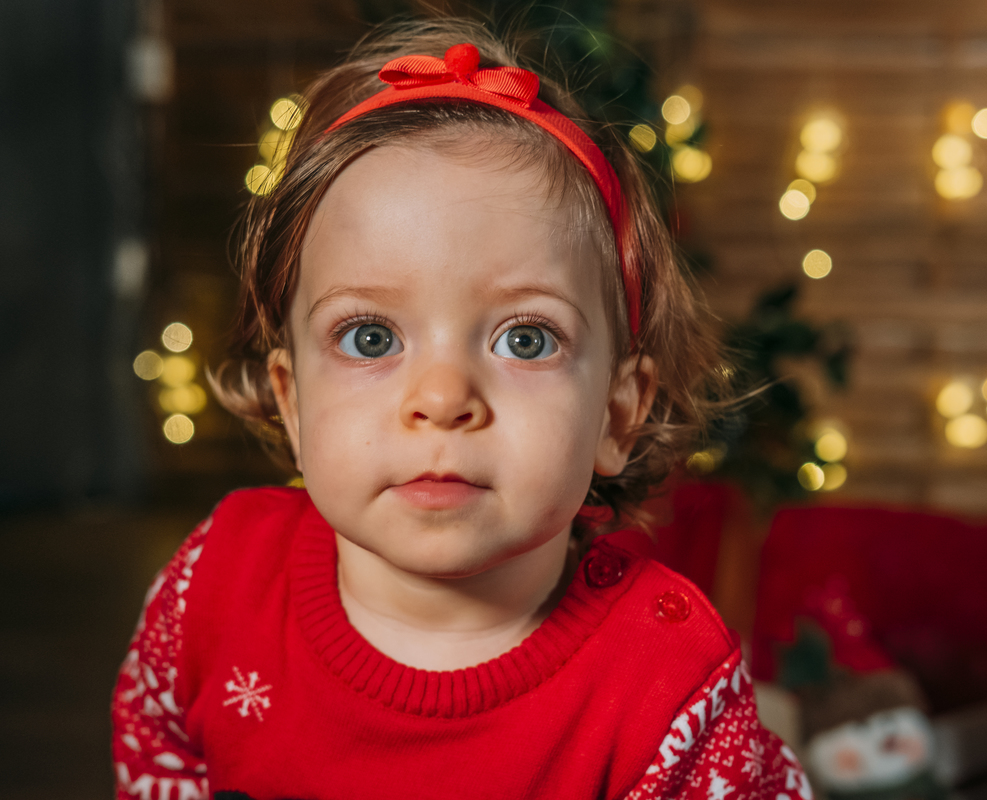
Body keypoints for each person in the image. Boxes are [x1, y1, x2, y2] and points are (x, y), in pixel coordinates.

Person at [111, 18, 812, 800]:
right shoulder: (217, 582)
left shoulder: (666, 683)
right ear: (293, 402)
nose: (442, 399)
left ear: (618, 416)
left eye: (525, 339)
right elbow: (157, 750)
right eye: (370, 336)